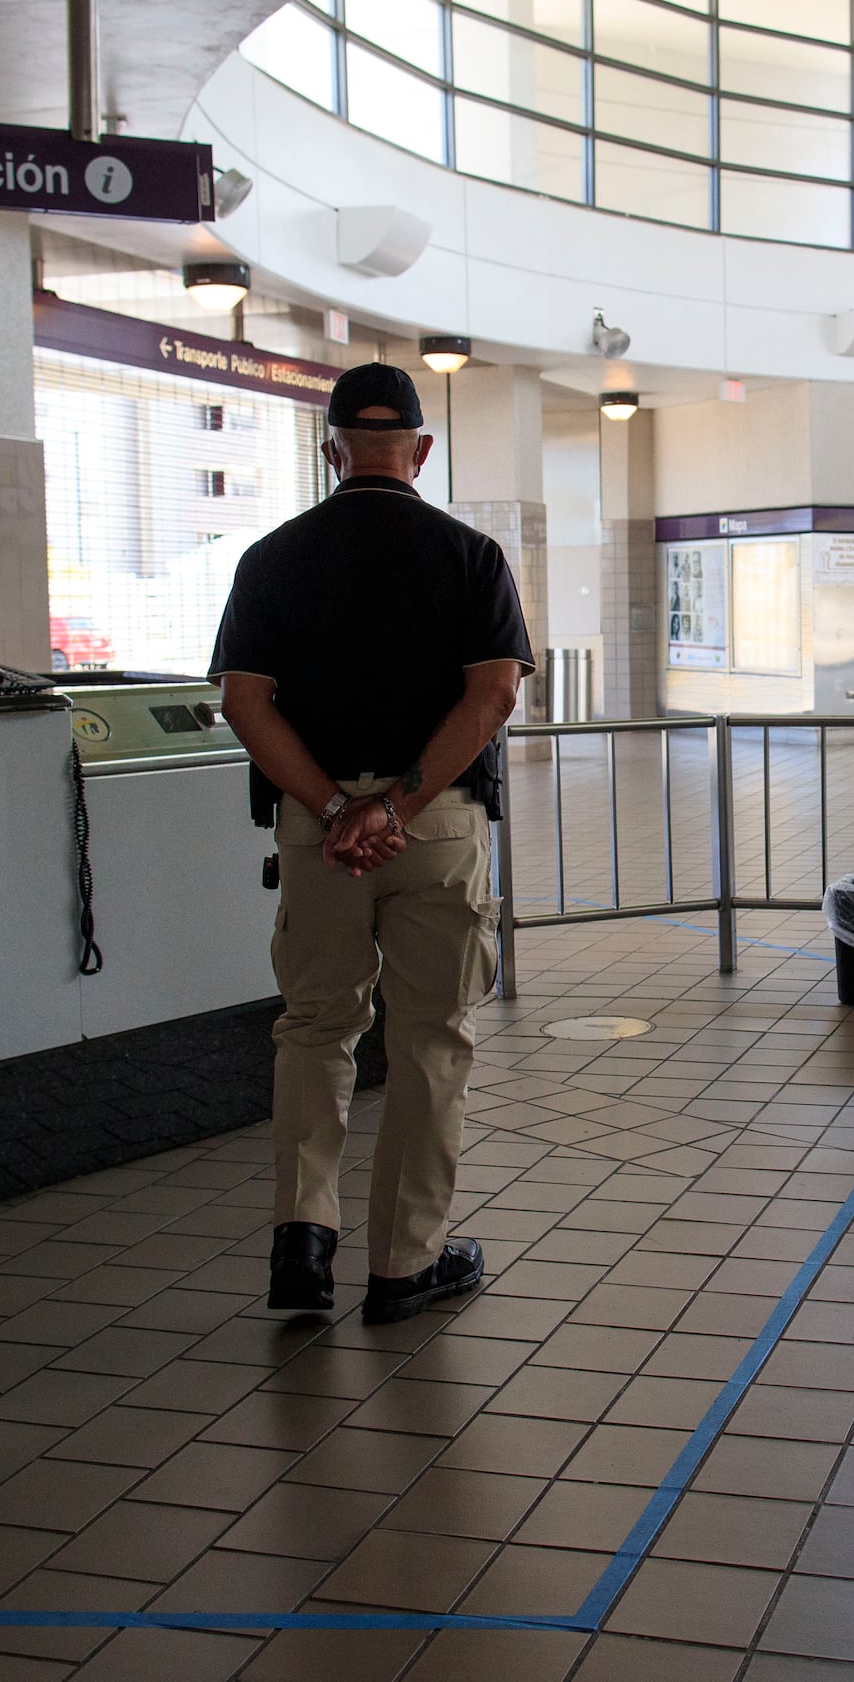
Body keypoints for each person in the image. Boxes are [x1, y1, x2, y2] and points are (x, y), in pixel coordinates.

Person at [211, 361, 533, 1325]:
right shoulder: (471, 555)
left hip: (318, 834)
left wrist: (334, 806)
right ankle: (403, 1264)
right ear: (422, 452)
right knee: (430, 1038)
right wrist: (395, 805)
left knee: (315, 1029)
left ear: (331, 450)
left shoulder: (272, 558)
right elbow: (494, 694)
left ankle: (302, 1253)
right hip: (431, 828)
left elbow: (242, 702)